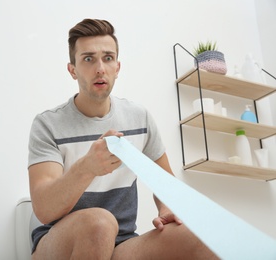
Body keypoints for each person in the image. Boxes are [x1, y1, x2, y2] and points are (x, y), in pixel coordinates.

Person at [27, 18, 218, 259]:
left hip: (122, 244)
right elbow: (45, 209)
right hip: (58, 243)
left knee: (203, 236)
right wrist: (87, 168)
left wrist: (167, 208)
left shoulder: (139, 118)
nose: (100, 68)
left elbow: (166, 184)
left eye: (108, 58)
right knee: (100, 224)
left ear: (117, 67)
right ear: (72, 69)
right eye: (88, 59)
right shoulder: (48, 124)